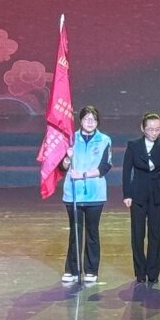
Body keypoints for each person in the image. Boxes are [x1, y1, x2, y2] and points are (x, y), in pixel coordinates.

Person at [59, 105, 112, 285]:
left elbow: (105, 167)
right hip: (73, 193)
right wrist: (67, 158)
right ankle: (72, 269)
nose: (90, 122)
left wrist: (82, 175)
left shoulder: (104, 140)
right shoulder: (70, 139)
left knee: (92, 232)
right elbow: (62, 167)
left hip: (95, 194)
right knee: (75, 232)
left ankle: (91, 270)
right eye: (87, 119)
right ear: (80, 120)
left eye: (94, 120)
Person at [122, 111, 160, 285]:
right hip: (137, 194)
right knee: (138, 234)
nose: (154, 132)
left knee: (155, 234)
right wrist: (127, 194)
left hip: (158, 194)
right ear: (143, 128)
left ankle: (153, 272)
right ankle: (140, 271)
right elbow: (126, 170)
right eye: (150, 129)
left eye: (157, 129)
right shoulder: (133, 145)